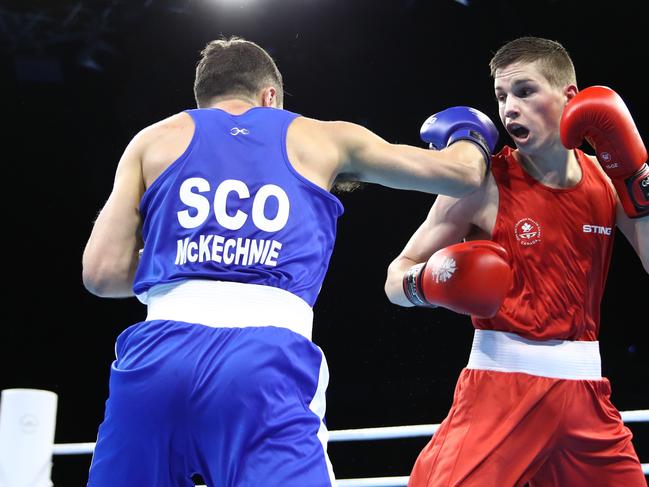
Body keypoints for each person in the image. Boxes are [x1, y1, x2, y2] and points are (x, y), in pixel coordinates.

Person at [81, 35, 502, 487]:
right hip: (263, 364)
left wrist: (189, 256)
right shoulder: (322, 137)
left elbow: (101, 274)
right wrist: (469, 135)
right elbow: (462, 175)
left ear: (203, 100)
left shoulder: (153, 140)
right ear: (270, 97)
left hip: (154, 361)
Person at [384, 36, 648, 486]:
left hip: (586, 396)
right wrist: (428, 282)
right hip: (498, 392)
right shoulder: (482, 183)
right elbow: (395, 276)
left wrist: (639, 182)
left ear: (569, 97)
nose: (509, 109)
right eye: (502, 96)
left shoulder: (607, 178)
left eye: (524, 92)